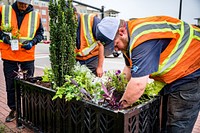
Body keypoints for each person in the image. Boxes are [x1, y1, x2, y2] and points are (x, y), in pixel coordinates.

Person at [95, 16, 200, 133]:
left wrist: (119, 107)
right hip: (173, 75)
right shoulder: (128, 39)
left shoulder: (142, 40)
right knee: (163, 120)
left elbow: (138, 85)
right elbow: (128, 69)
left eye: (115, 44)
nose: (116, 49)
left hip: (192, 72)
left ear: (121, 32)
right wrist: (116, 92)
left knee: (178, 125)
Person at [0, 0, 44, 122]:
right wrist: (3, 36)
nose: (23, 6)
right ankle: (13, 109)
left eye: (26, 4)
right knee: (10, 85)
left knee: (28, 85)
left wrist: (32, 42)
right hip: (9, 55)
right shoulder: (4, 10)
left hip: (27, 56)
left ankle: (28, 110)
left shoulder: (36, 15)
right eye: (21, 3)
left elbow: (40, 34)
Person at [66, 3, 109, 77]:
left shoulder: (91, 21)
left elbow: (102, 44)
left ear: (75, 14)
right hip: (77, 59)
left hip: (92, 58)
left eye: (68, 18)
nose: (67, 22)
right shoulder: (66, 26)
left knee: (92, 82)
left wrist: (99, 67)